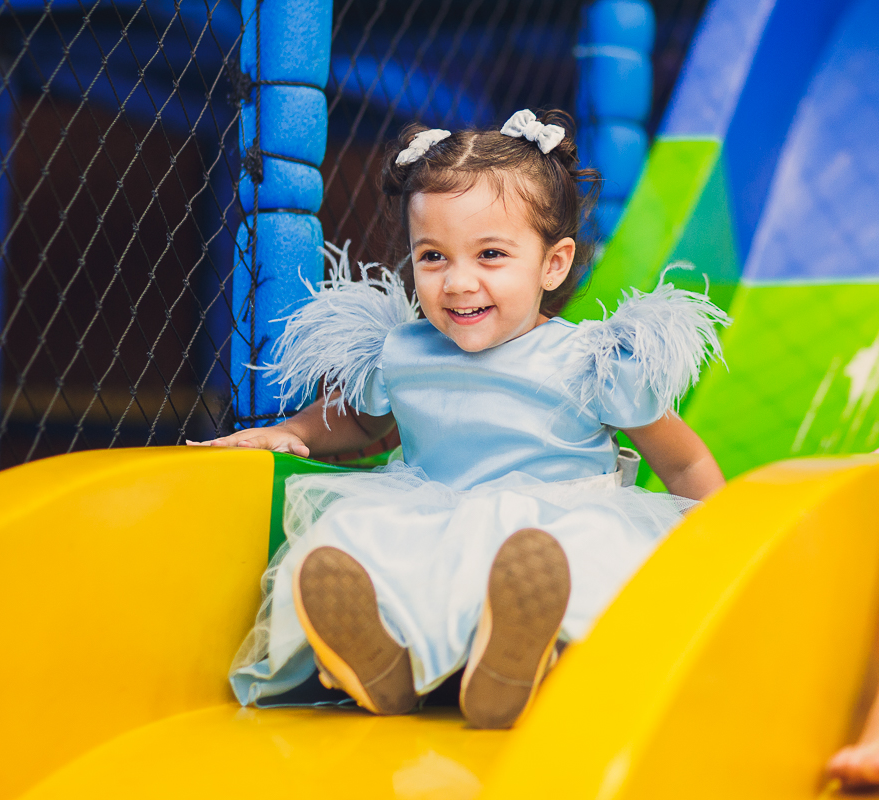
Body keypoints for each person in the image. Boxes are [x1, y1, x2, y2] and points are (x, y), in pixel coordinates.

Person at [189, 110, 729, 728]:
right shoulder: (405, 349)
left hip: (560, 522)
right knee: (367, 547)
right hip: (433, 514)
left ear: (553, 264)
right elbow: (360, 424)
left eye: (491, 254)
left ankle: (528, 660)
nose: (458, 281)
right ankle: (389, 667)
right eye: (434, 256)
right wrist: (299, 432)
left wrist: (724, 541)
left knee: (571, 562)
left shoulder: (590, 358)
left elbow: (681, 458)